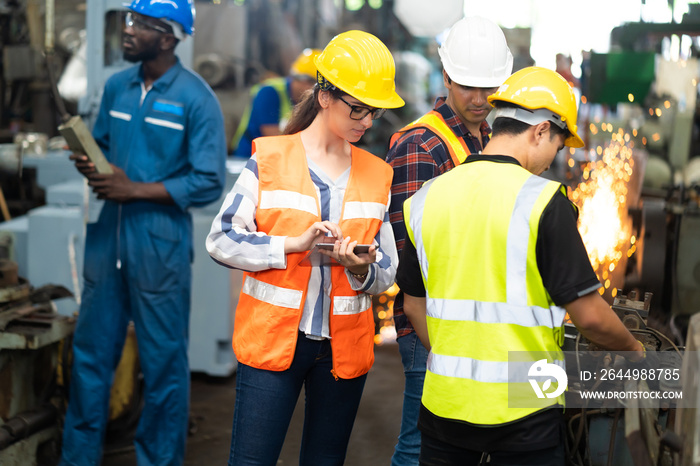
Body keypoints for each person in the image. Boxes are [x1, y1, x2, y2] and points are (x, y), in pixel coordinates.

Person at [396, 66, 645, 465]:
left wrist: (456, 362)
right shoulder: (544, 201)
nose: (552, 161)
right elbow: (591, 318)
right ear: (542, 130)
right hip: (527, 411)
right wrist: (633, 349)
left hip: (446, 405)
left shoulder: (427, 199)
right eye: (558, 147)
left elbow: (413, 305)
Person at [206, 30, 404, 465]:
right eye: (359, 108)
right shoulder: (271, 159)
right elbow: (221, 238)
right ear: (325, 95)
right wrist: (292, 245)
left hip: (343, 347)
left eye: (374, 111)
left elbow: (387, 267)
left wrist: (360, 267)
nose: (367, 121)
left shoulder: (377, 174)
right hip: (275, 338)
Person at [60, 0, 227, 464]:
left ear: (169, 37)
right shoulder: (116, 87)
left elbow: (208, 180)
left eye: (140, 24)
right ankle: (77, 458)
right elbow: (106, 149)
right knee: (90, 361)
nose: (127, 31)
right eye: (129, 21)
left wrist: (134, 189)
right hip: (105, 240)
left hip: (159, 247)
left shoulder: (196, 99)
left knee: (163, 369)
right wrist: (91, 162)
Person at [384, 16, 513, 466]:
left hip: (470, 325)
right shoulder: (421, 145)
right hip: (431, 326)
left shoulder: (489, 138)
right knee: (421, 447)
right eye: (467, 87)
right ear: (445, 77)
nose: (480, 100)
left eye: (489, 88)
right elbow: (410, 255)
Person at [230, 48, 322, 156]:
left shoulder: (306, 99)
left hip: (278, 156)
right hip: (250, 157)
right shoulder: (269, 93)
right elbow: (274, 138)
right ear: (304, 80)